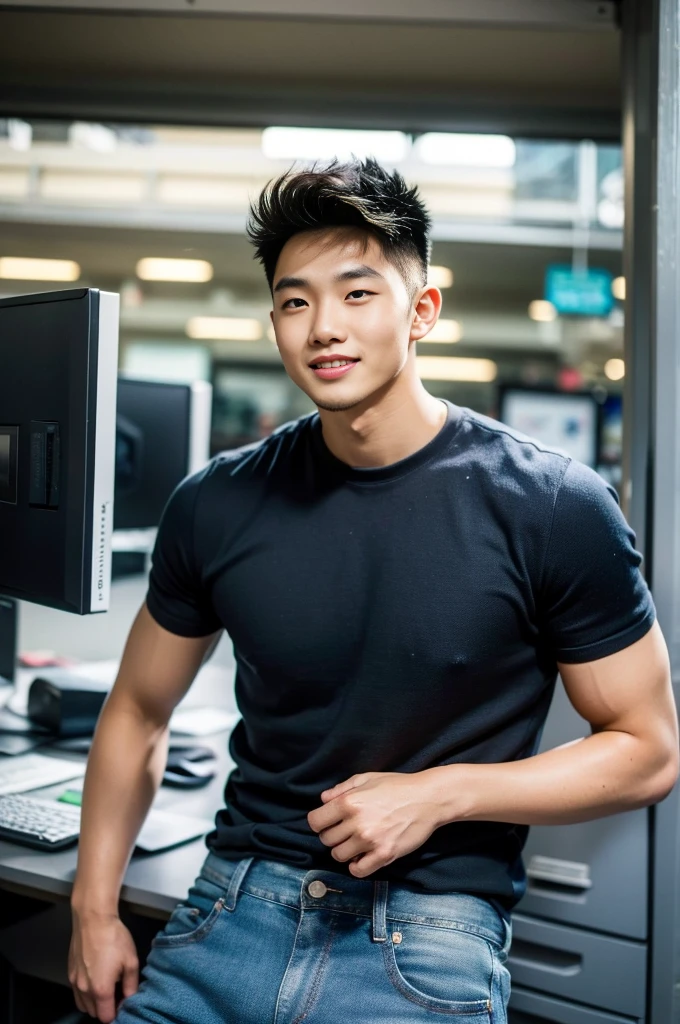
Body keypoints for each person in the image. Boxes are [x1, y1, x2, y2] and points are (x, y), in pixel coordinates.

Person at [68, 158, 679, 1024]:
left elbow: (648, 748)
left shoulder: (551, 506)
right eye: (294, 300)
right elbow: (137, 707)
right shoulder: (217, 501)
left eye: (357, 293)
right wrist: (93, 911)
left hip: (428, 934)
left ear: (421, 311)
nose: (323, 327)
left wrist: (443, 792)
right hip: (231, 909)